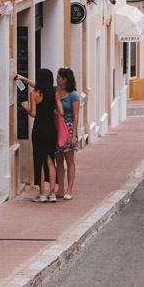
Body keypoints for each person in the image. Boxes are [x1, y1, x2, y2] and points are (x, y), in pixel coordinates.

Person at [16, 68, 62, 201]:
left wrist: (25, 107)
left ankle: (42, 193)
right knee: (50, 160)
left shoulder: (34, 94)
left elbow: (33, 114)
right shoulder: (55, 93)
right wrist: (24, 79)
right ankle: (52, 193)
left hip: (39, 129)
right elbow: (60, 111)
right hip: (51, 129)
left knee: (39, 161)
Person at [55, 67, 80, 199]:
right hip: (57, 128)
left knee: (69, 160)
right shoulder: (55, 90)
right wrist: (24, 79)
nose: (56, 79)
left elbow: (76, 116)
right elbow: (39, 85)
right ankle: (60, 189)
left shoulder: (73, 95)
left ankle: (69, 190)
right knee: (58, 160)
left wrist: (74, 135)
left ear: (65, 80)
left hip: (69, 128)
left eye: (58, 77)